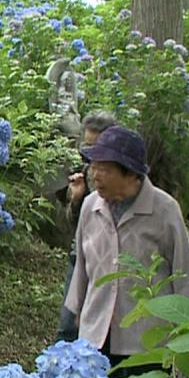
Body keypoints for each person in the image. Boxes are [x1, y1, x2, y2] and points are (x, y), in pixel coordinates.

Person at [63, 126, 189, 378]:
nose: (94, 175)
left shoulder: (164, 211)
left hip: (145, 337)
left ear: (132, 174)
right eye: (93, 167)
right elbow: (83, 265)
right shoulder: (90, 206)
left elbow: (184, 271)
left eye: (104, 169)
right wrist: (74, 314)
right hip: (96, 332)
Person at [56, 111, 118, 341]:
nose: (92, 156)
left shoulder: (124, 176)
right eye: (87, 147)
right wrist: (77, 198)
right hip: (81, 255)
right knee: (68, 326)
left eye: (97, 147)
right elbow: (75, 224)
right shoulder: (84, 171)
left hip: (112, 261)